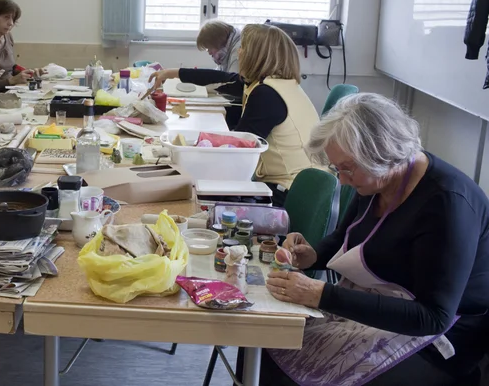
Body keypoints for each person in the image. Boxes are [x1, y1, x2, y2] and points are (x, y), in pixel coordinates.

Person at [262, 93, 489, 385]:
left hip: (440, 339)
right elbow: (344, 238)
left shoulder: (447, 203)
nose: (341, 180)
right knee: (269, 342)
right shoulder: (377, 181)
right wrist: (313, 255)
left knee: (289, 371)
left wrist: (322, 294)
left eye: (347, 168)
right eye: (337, 169)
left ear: (382, 154)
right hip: (385, 305)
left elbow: (433, 317)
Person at [150, 24, 318, 205]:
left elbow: (235, 153)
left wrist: (187, 154)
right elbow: (219, 78)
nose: (239, 53)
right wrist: (171, 73)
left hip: (291, 192)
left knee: (193, 197)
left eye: (243, 49)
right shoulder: (275, 84)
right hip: (299, 184)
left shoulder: (267, 95)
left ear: (257, 56)